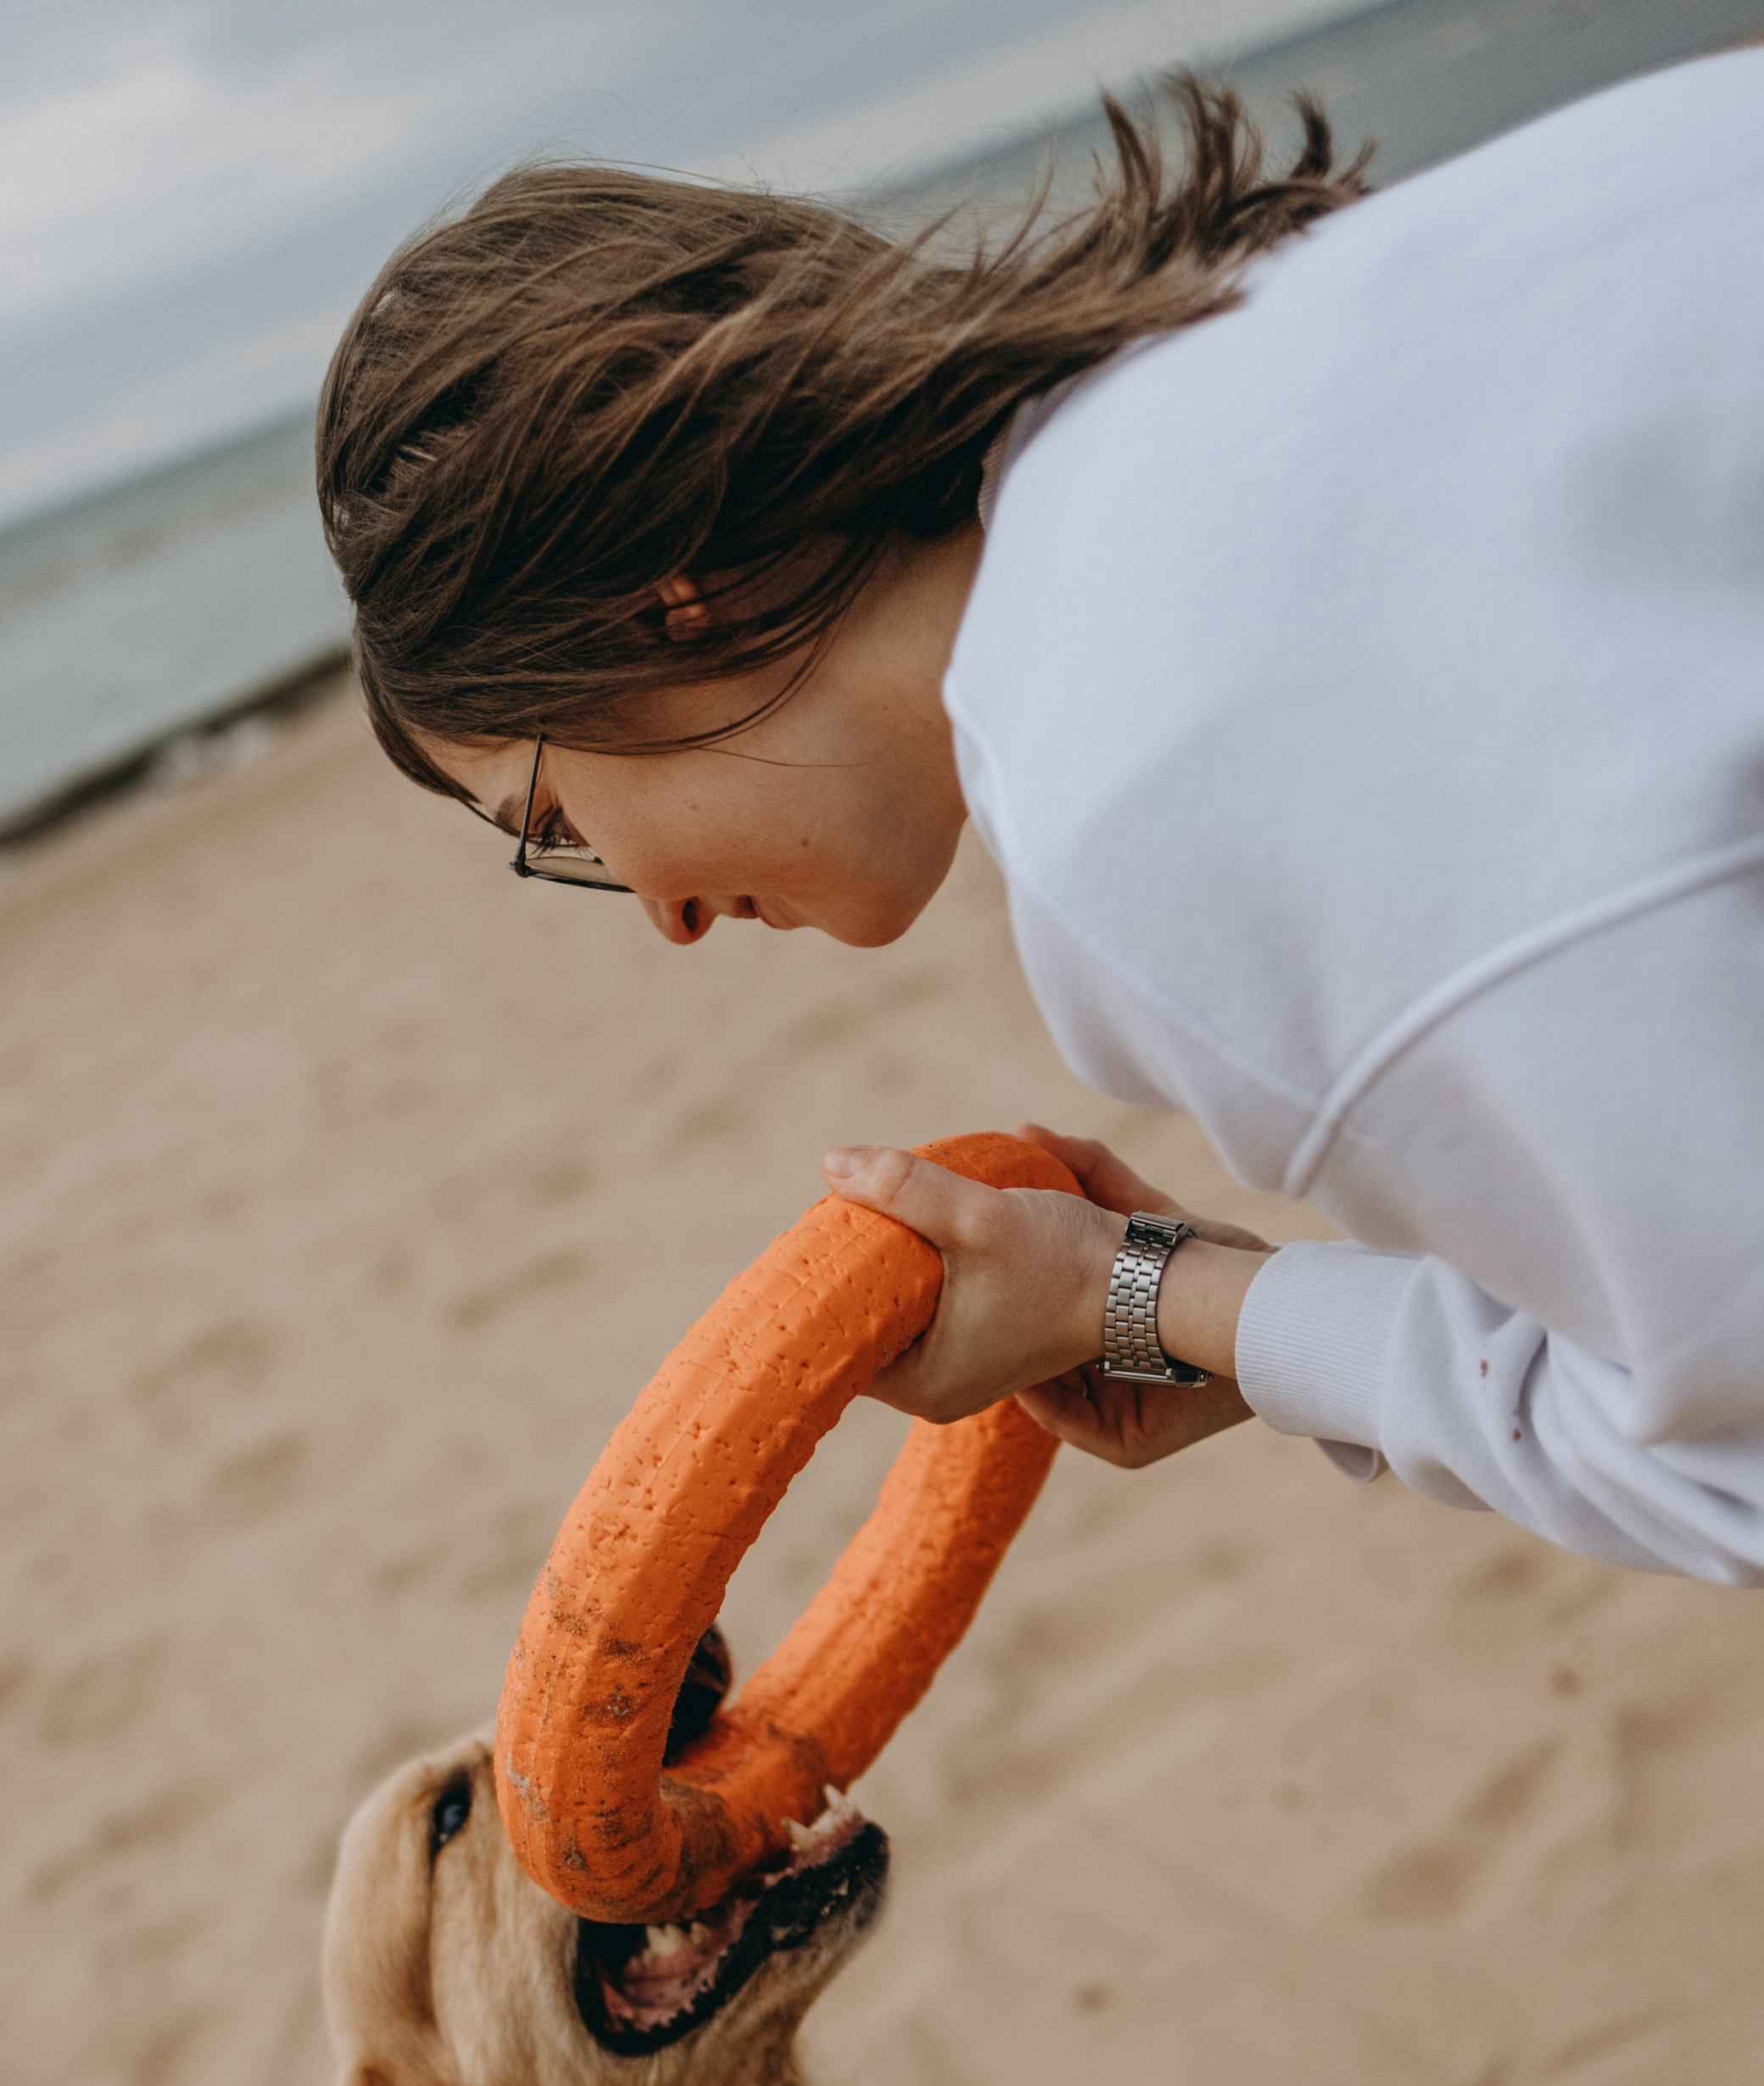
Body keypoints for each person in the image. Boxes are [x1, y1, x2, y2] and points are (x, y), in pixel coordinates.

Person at [318, 53, 1764, 1585]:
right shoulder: (1262, 339)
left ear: (670, 586)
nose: (661, 910)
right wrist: (1164, 1296)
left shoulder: (1146, 772)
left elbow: (1730, 1459)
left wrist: (1166, 1301)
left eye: (553, 816)